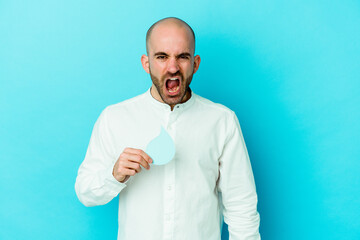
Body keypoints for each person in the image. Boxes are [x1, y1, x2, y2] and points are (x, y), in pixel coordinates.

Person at [75, 17, 260, 240]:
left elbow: (242, 207)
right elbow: (85, 193)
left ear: (195, 63)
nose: (172, 67)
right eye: (161, 57)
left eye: (182, 57)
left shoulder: (222, 120)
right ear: (146, 63)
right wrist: (115, 175)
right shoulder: (114, 118)